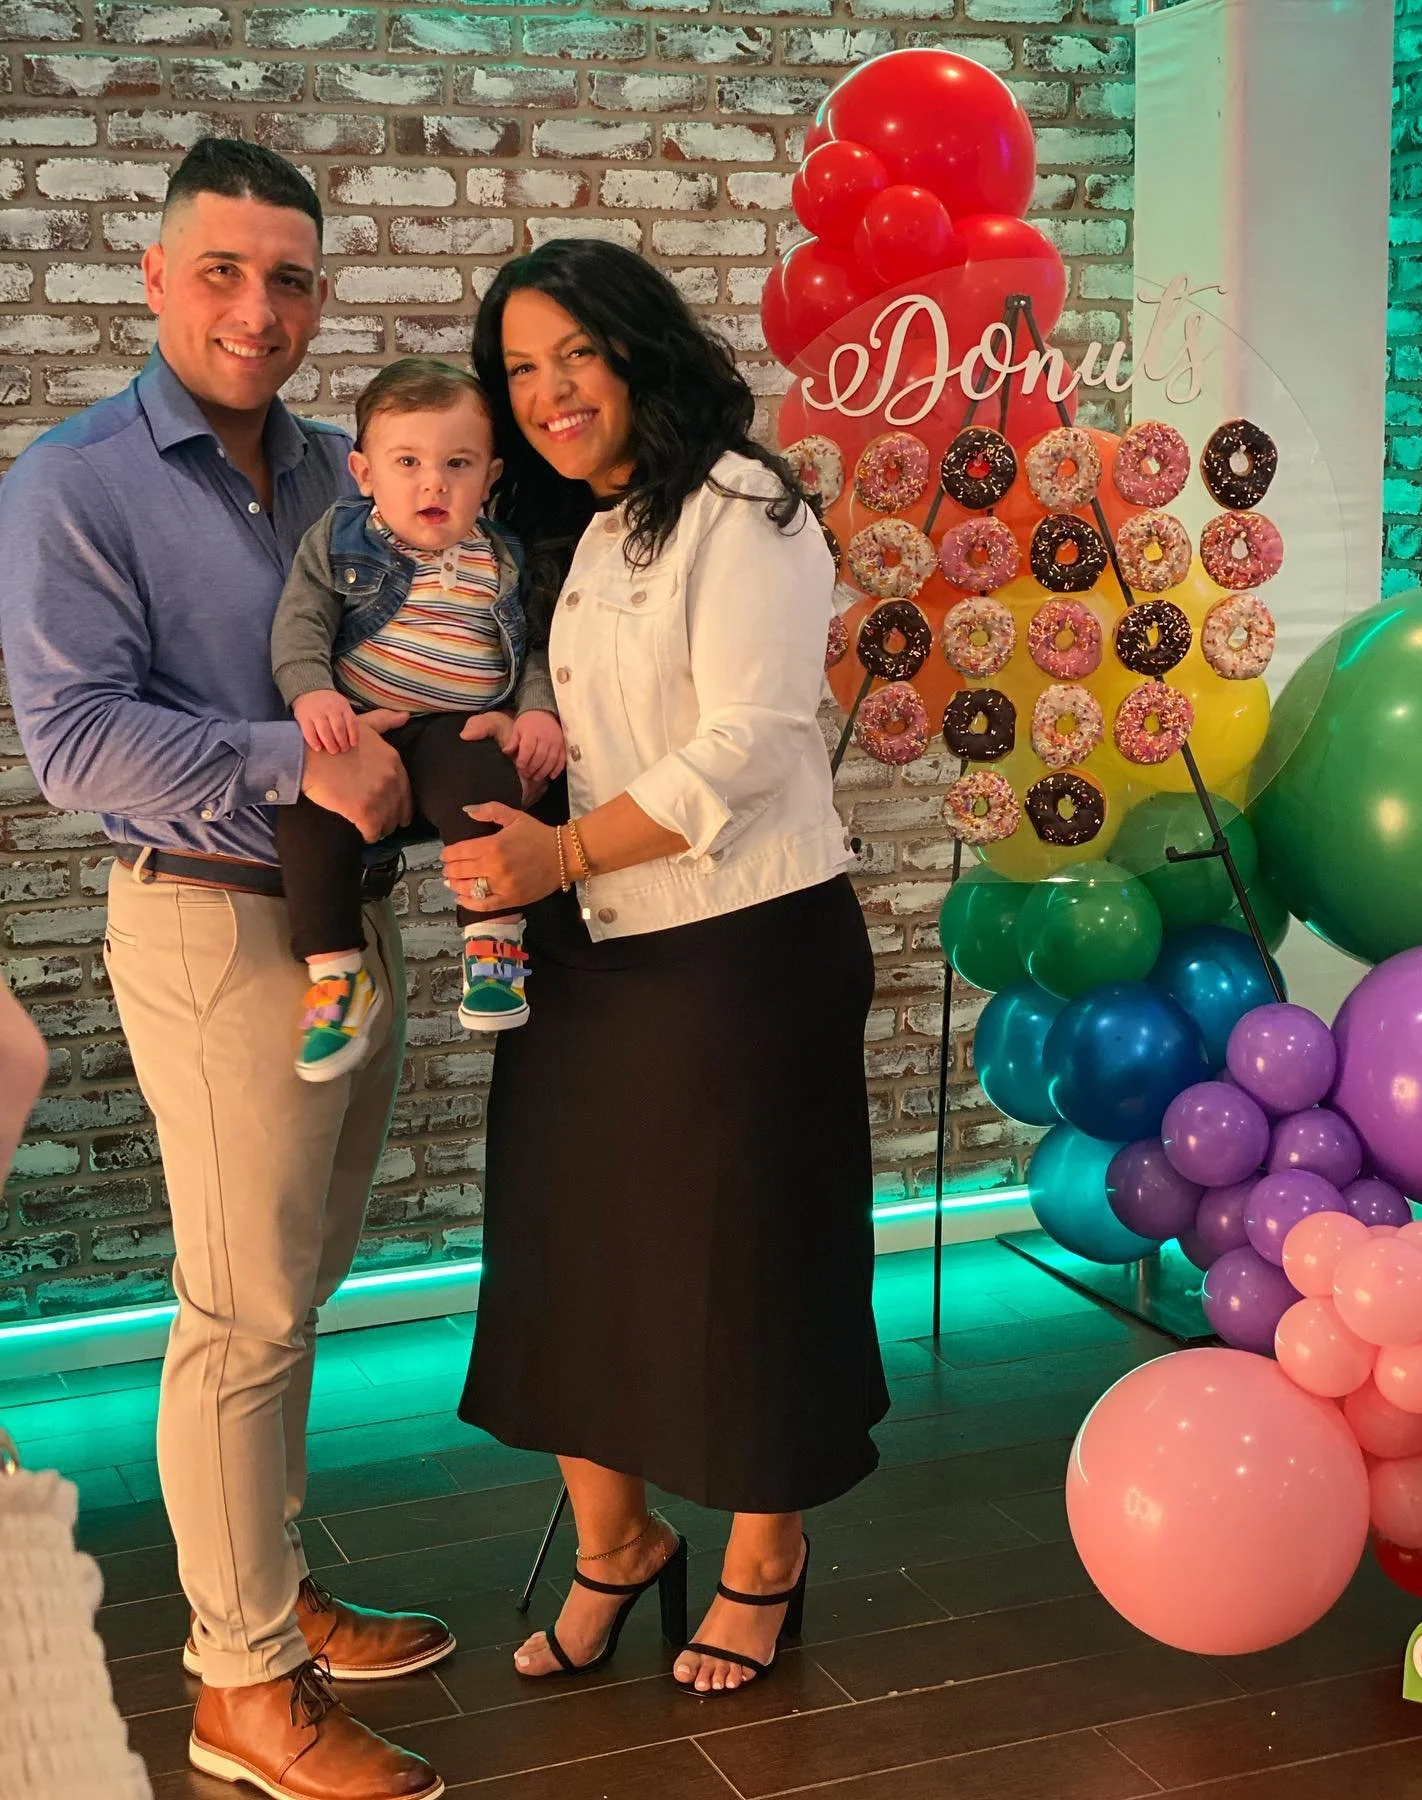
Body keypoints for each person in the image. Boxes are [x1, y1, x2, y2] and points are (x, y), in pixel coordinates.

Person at [0, 137, 448, 1800]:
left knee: (297, 1289)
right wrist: (301, 761)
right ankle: (239, 1687)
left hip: (358, 920)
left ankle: (271, 1584)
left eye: (290, 278)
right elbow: (75, 744)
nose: (258, 311)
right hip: (211, 921)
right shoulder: (74, 484)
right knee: (239, 1308)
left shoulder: (350, 464)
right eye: (223, 272)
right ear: (155, 277)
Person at [446, 238, 890, 1696]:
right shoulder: (574, 529)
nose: (549, 390)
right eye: (519, 369)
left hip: (744, 944)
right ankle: (617, 1544)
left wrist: (561, 858)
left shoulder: (743, 507)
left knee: (753, 1260)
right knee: (568, 1258)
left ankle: (764, 1555)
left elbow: (752, 745)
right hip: (597, 945)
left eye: (575, 352)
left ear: (641, 348)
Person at [271, 356, 564, 1078]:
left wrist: (538, 714)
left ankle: (493, 942)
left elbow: (534, 650)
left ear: (490, 477)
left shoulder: (504, 557)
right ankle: (338, 977)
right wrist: (311, 693)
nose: (433, 482)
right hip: (360, 724)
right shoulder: (342, 538)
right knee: (304, 819)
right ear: (364, 472)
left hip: (456, 729)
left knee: (483, 784)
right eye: (408, 461)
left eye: (457, 463)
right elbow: (300, 622)